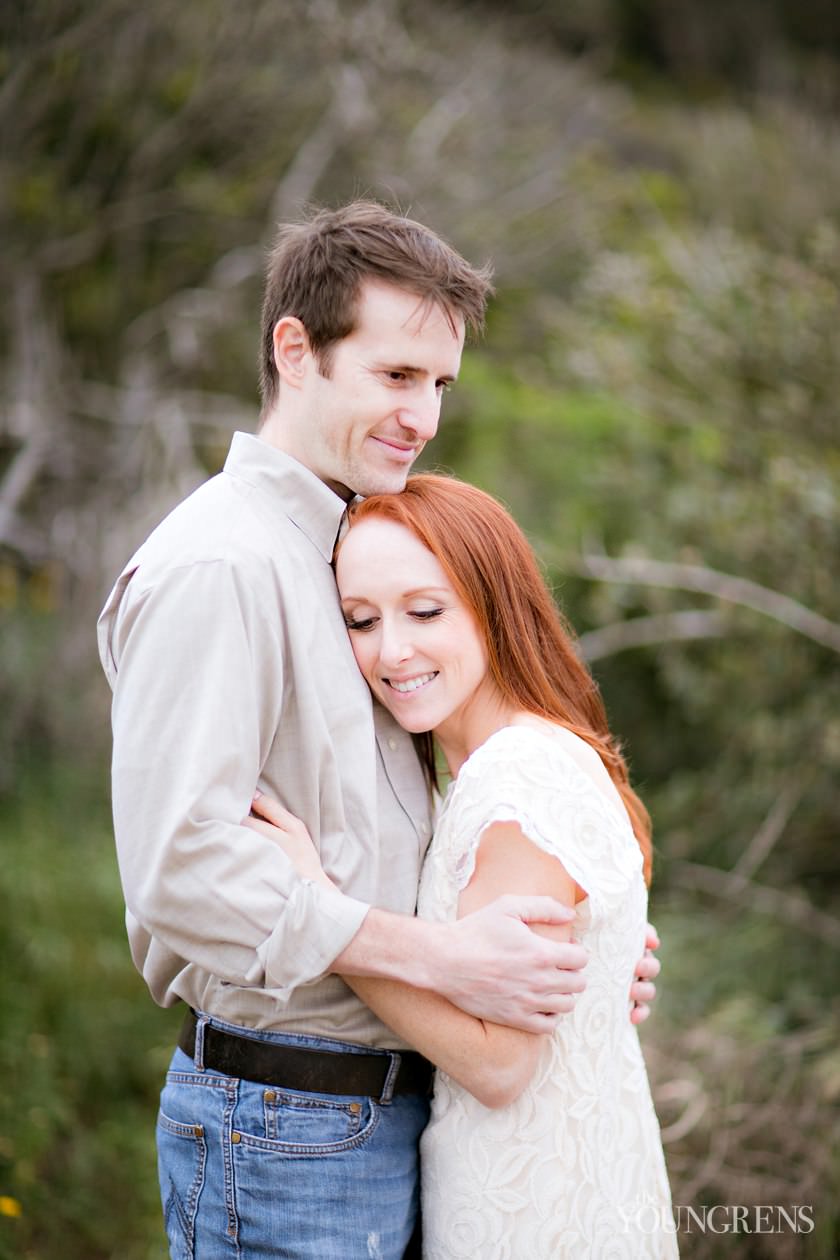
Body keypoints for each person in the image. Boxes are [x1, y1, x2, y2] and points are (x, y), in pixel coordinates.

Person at [97, 201, 660, 1259]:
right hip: (285, 1125)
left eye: (440, 384)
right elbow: (180, 864)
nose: (426, 416)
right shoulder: (224, 563)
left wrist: (571, 948)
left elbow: (388, 828)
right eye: (398, 377)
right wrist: (446, 958)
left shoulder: (356, 549)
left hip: (392, 1114)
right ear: (295, 350)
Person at [249, 473, 677, 1259]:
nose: (392, 650)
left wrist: (318, 911)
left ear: (493, 604)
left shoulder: (515, 778)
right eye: (361, 620)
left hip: (535, 1214)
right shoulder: (506, 764)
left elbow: (500, 1065)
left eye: (425, 610)